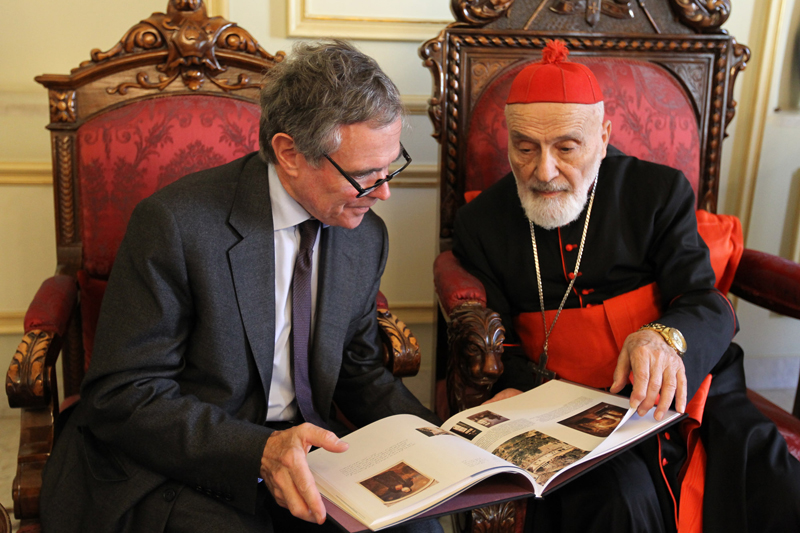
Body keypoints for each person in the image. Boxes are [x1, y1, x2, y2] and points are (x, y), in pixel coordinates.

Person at [40, 40, 442, 533]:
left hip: (310, 452)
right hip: (189, 458)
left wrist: (441, 440)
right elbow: (123, 393)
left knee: (417, 527)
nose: (383, 192)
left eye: (391, 165)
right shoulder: (175, 225)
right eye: (364, 175)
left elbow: (358, 372)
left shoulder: (362, 235)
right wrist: (258, 450)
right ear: (289, 153)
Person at [452, 39, 800, 532]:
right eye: (524, 148)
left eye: (566, 148)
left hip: (688, 389)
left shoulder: (656, 192)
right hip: (567, 410)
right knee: (620, 501)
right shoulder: (481, 223)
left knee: (770, 478)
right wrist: (532, 394)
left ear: (604, 135)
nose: (543, 171)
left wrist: (666, 338)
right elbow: (503, 350)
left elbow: (704, 300)